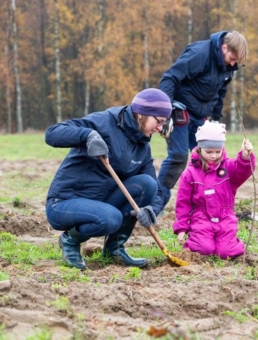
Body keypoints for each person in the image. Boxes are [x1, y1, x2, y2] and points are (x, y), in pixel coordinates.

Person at [45, 88, 172, 270]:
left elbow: (156, 189)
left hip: (100, 203)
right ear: (142, 113)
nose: (160, 128)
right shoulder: (104, 122)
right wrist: (88, 136)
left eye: (163, 123)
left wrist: (153, 209)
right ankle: (70, 240)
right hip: (64, 203)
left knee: (147, 184)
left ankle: (115, 249)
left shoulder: (142, 145)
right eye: (158, 121)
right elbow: (52, 134)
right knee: (111, 218)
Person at [158, 30, 248, 209]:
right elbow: (169, 78)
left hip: (201, 116)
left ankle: (206, 203)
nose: (233, 63)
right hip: (180, 110)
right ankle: (155, 203)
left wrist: (214, 119)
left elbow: (220, 92)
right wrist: (165, 111)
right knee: (179, 156)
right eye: (233, 58)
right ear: (224, 47)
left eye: (236, 61)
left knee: (209, 158)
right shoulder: (200, 54)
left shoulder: (227, 67)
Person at [173, 121, 255, 259]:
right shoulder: (190, 173)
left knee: (225, 252)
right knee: (203, 248)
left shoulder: (229, 167)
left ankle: (231, 243)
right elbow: (183, 202)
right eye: (208, 152)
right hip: (201, 218)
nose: (213, 156)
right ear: (199, 149)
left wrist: (245, 157)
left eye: (217, 151)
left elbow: (242, 172)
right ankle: (195, 243)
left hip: (225, 217)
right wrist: (181, 227)